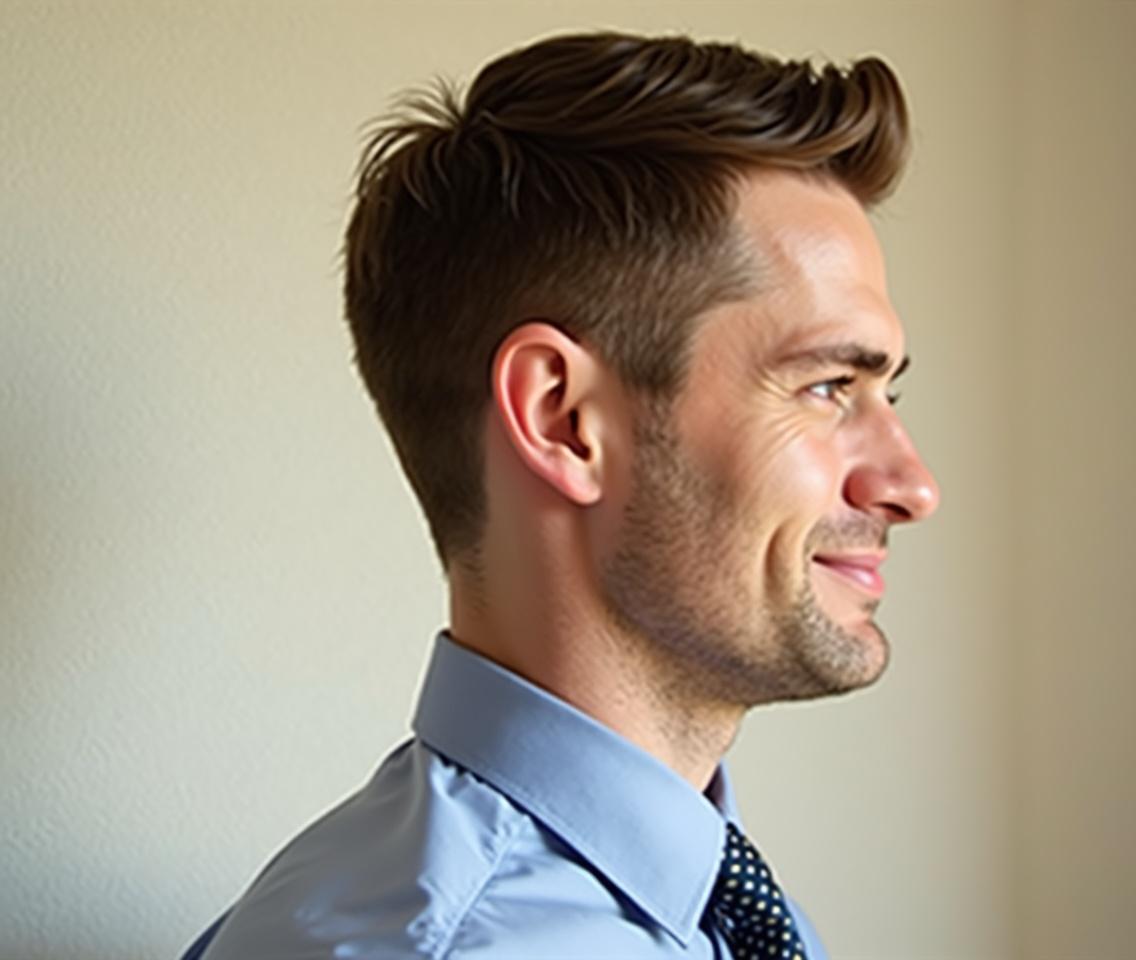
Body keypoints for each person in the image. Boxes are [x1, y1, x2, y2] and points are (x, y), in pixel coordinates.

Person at [181, 29, 938, 960]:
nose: (913, 486)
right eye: (827, 388)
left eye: (885, 393)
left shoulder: (706, 908)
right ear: (563, 419)